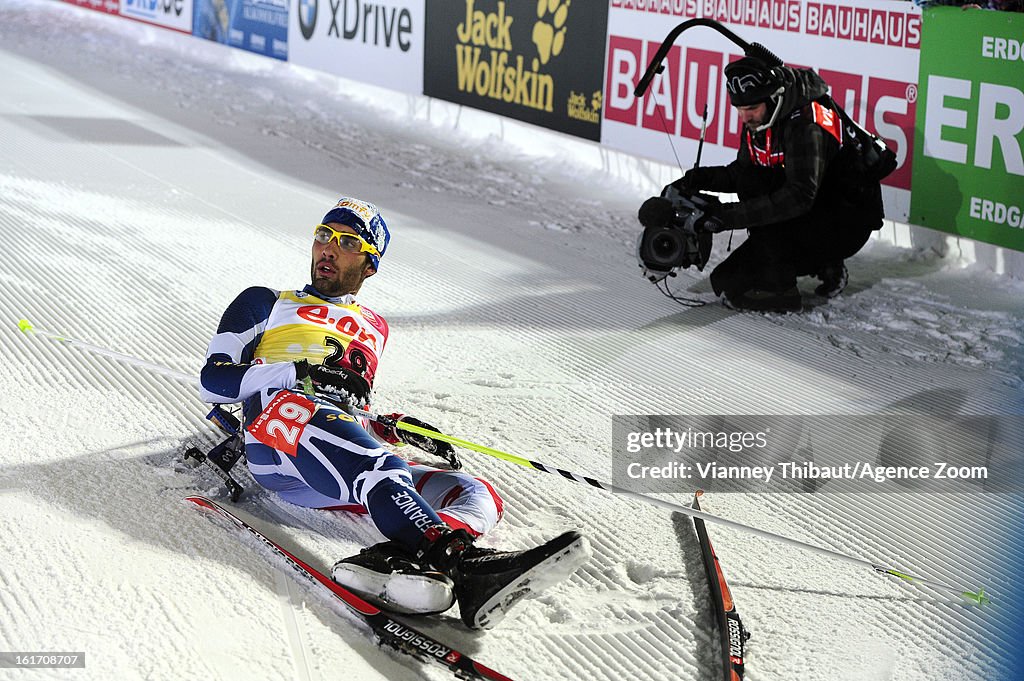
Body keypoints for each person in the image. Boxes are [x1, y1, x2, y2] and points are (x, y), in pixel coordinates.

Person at [198, 197, 589, 629]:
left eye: (346, 242)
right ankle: (461, 563)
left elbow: (347, 408)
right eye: (323, 235)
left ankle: (394, 561)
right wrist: (298, 371)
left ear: (369, 265)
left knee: (476, 492)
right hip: (275, 431)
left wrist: (388, 426)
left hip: (331, 454)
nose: (328, 248)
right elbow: (212, 381)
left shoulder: (375, 327)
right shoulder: (266, 301)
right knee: (375, 464)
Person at [674, 57, 883, 312]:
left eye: (751, 108)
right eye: (738, 109)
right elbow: (743, 172)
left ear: (774, 98)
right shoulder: (763, 118)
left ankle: (783, 290)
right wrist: (699, 178)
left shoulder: (806, 124)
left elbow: (799, 196)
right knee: (724, 281)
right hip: (816, 210)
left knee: (760, 192)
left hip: (846, 221)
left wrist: (723, 217)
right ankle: (822, 264)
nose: (744, 116)